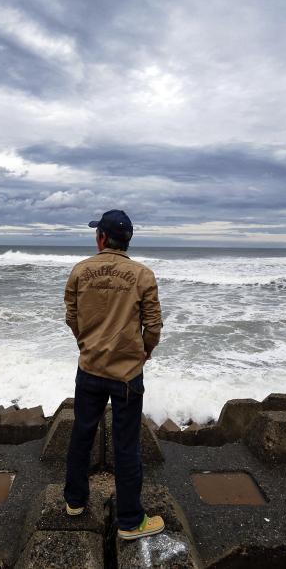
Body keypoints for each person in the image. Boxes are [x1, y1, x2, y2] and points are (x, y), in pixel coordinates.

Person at [63, 209, 165, 541]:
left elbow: (71, 315)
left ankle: (75, 502)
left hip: (89, 368)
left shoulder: (81, 271)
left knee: (82, 434)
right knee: (126, 444)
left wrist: (85, 343)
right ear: (128, 240)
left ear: (102, 238)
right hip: (127, 375)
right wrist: (144, 352)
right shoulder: (143, 275)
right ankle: (130, 521)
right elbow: (153, 326)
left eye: (97, 234)